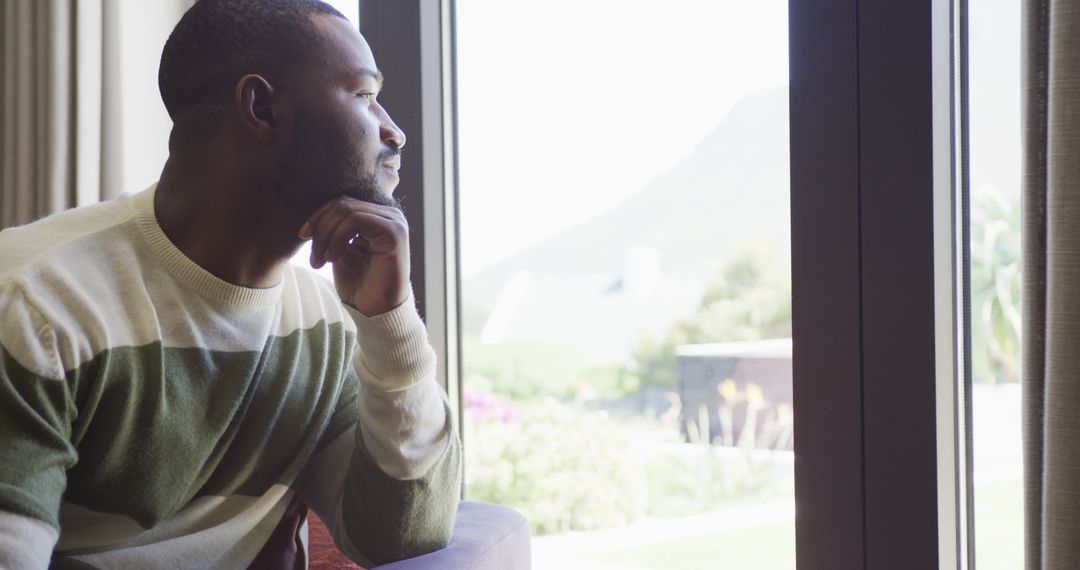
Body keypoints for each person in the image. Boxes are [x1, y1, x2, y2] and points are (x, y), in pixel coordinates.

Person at [0, 0, 461, 568]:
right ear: (261, 106)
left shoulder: (325, 325)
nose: (395, 132)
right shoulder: (36, 302)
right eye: (365, 96)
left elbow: (404, 534)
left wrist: (392, 322)